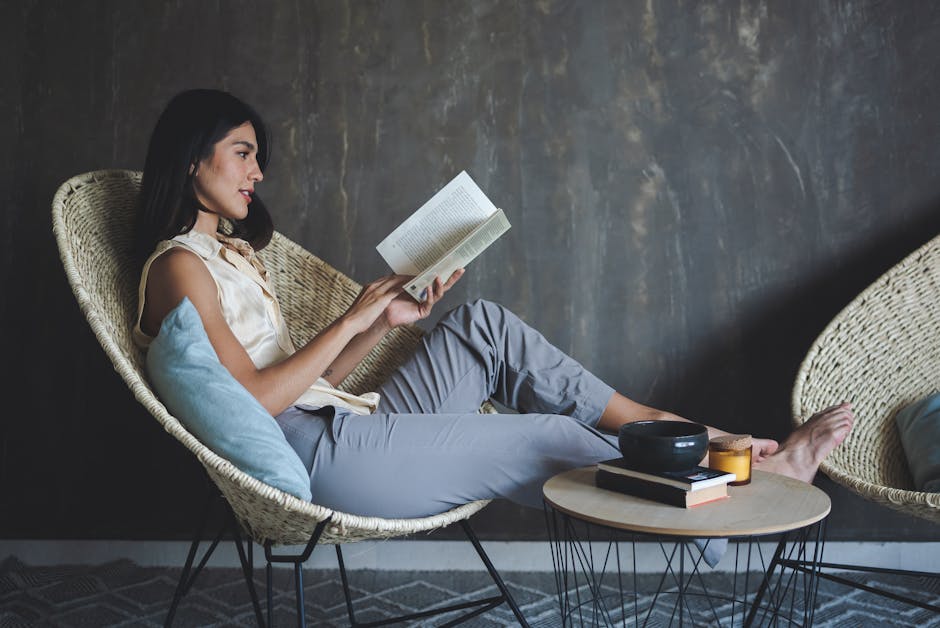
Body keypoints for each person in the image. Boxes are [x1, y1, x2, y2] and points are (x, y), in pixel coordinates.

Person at [133, 89, 855, 518]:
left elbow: (312, 384)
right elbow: (257, 403)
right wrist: (351, 318)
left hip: (344, 425)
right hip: (323, 461)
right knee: (547, 438)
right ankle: (744, 480)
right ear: (192, 156)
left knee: (484, 326)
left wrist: (378, 318)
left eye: (257, 155)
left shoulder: (231, 255)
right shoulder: (178, 269)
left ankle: (672, 429)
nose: (258, 171)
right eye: (242, 152)